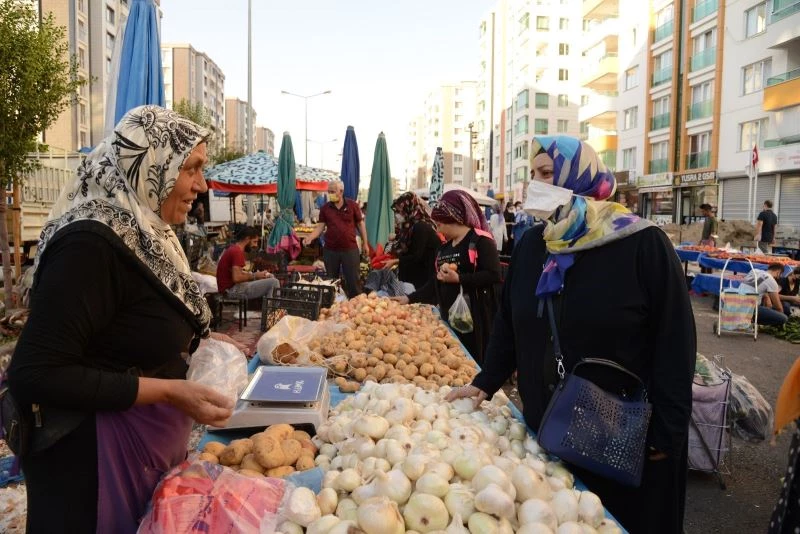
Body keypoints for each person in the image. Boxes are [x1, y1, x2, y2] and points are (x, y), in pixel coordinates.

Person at [446, 135, 696, 534]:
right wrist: (485, 381)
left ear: (581, 175)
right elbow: (511, 324)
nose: (535, 184)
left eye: (547, 173)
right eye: (533, 175)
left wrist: (667, 434)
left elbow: (675, 343)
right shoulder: (534, 245)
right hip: (549, 434)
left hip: (623, 439)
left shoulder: (641, 243)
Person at [6, 106, 239, 533]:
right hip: (88, 465)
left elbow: (134, 322)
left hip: (137, 452)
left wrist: (200, 342)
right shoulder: (88, 246)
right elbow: (35, 373)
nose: (201, 186)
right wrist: (168, 391)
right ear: (150, 165)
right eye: (192, 168)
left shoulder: (147, 233)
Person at [393, 190, 501, 363]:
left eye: (441, 223)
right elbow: (435, 281)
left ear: (454, 218)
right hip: (449, 319)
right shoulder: (444, 248)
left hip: (476, 319)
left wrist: (460, 279)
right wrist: (409, 298)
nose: (438, 228)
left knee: (476, 361)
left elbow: (494, 274)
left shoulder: (480, 240)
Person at [302, 180, 369, 298]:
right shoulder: (325, 209)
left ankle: (356, 304)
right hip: (331, 250)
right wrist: (310, 237)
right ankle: (333, 306)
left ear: (341, 191)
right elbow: (320, 227)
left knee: (354, 281)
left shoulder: (352, 205)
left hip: (350, 249)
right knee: (331, 282)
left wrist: (365, 243)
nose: (330, 194)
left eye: (333, 191)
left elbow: (360, 224)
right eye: (329, 191)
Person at [382, 192, 441, 290]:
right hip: (415, 275)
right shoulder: (409, 227)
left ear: (409, 209)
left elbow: (417, 255)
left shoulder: (421, 227)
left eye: (400, 211)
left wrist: (396, 261)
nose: (397, 215)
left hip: (423, 277)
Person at [216, 226, 279, 301]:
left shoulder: (234, 249)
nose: (256, 245)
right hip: (231, 290)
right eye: (254, 242)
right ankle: (274, 311)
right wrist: (255, 276)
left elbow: (237, 274)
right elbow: (237, 278)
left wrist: (257, 275)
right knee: (274, 282)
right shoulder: (237, 252)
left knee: (270, 277)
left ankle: (270, 308)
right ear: (247, 239)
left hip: (230, 288)